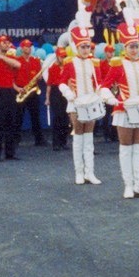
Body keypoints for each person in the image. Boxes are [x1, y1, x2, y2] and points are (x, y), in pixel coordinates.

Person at [99, 8, 139, 198]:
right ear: (124, 47)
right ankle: (128, 185)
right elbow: (104, 86)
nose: (134, 49)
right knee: (126, 148)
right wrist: (111, 99)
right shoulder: (117, 64)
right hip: (123, 110)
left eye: (136, 46)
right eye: (131, 46)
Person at [57, 12, 105, 185]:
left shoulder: (95, 63)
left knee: (89, 138)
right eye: (83, 47)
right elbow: (61, 83)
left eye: (88, 47)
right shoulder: (70, 62)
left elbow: (99, 82)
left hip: (90, 103)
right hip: (76, 104)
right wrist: (69, 94)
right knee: (78, 137)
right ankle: (79, 172)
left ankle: (90, 172)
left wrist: (100, 94)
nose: (86, 50)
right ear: (76, 46)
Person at [0, 36, 23, 162]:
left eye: (8, 42)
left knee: (11, 123)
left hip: (10, 92)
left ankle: (10, 152)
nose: (7, 44)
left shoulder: (9, 59)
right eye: (4, 42)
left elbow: (18, 65)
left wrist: (2, 57)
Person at [14, 39, 46, 148]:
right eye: (26, 46)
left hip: (33, 91)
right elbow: (12, 78)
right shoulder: (17, 61)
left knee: (35, 116)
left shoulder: (36, 61)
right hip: (21, 91)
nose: (29, 48)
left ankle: (39, 139)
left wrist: (40, 75)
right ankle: (15, 140)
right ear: (22, 48)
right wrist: (18, 88)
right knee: (18, 117)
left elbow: (39, 77)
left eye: (30, 46)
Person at [47, 47, 70, 151]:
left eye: (65, 56)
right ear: (57, 56)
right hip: (56, 92)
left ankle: (63, 141)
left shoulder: (67, 67)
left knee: (65, 117)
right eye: (62, 56)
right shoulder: (52, 68)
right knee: (57, 118)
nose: (63, 58)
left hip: (66, 91)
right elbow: (49, 85)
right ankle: (56, 143)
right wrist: (47, 98)